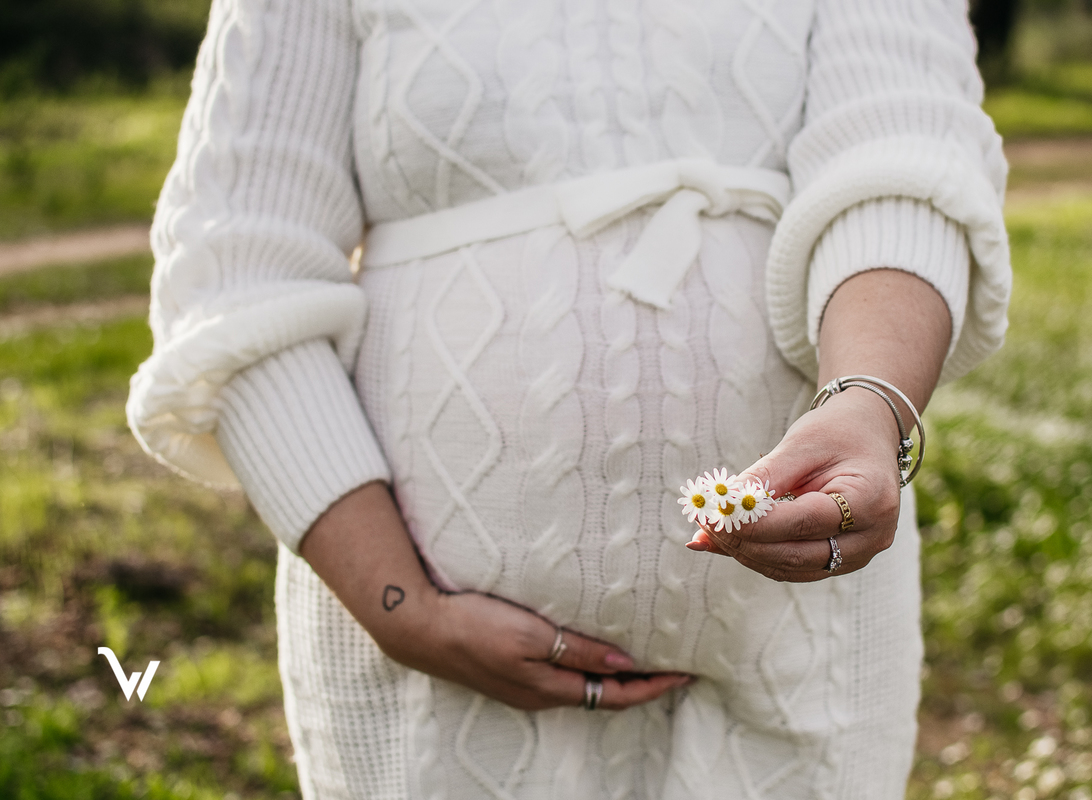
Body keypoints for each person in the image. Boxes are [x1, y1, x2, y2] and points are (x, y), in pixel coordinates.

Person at [127, 0, 1010, 797]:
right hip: (432, 670)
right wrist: (402, 607)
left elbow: (908, 157)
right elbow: (240, 268)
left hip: (797, 649)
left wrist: (868, 401)